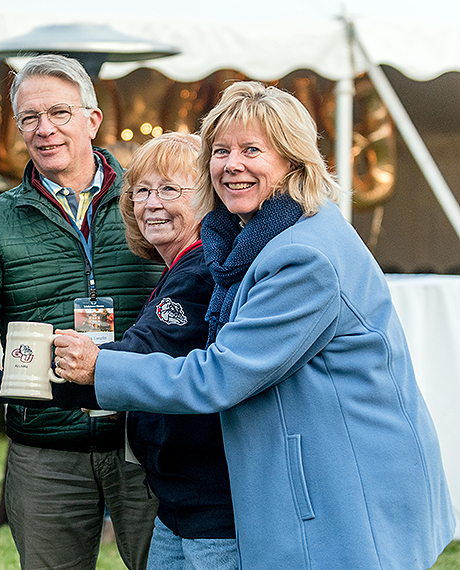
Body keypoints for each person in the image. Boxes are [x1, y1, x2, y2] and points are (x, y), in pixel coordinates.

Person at [61, 81, 456, 570]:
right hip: (312, 477)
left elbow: (220, 377)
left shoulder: (302, 257)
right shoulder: (260, 237)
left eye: (252, 150)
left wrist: (101, 368)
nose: (233, 164)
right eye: (221, 151)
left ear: (293, 161)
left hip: (341, 488)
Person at [0, 132, 239, 569]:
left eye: (169, 189)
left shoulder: (197, 273)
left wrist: (1, 383)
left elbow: (124, 367)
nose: (151, 203)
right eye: (142, 191)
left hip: (203, 501)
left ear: (208, 198)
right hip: (177, 494)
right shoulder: (189, 266)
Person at [0, 54, 162, 570]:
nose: (45, 129)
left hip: (143, 434)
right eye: (30, 118)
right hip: (46, 442)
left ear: (92, 119)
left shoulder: (149, 200)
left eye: (59, 113)